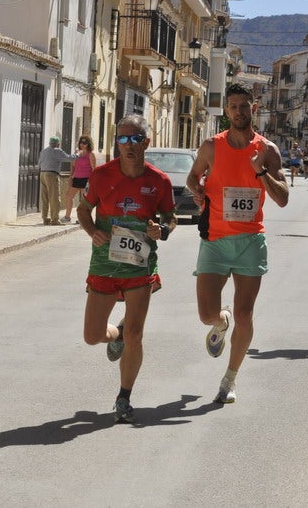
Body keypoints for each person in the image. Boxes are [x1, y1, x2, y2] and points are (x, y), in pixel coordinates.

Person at [186, 83, 289, 404]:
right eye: (233, 106)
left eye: (244, 106)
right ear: (226, 110)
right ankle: (220, 321)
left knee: (245, 315)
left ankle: (229, 379)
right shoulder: (210, 147)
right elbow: (193, 177)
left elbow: (283, 198)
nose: (239, 111)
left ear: (253, 108)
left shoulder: (268, 150)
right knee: (206, 314)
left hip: (250, 241)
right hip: (215, 240)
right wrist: (196, 190)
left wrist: (260, 172)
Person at [76, 114, 177, 424]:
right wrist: (92, 231)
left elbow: (170, 218)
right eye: (122, 139)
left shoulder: (159, 181)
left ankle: (124, 396)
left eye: (134, 139)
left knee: (136, 334)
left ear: (146, 142)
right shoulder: (102, 175)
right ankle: (115, 333)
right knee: (93, 336)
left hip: (140, 264)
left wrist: (163, 228)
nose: (128, 145)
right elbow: (83, 210)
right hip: (105, 263)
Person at [37, 136, 74, 225]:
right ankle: (54, 219)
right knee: (54, 198)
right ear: (58, 144)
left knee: (45, 198)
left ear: (49, 143)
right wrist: (77, 155)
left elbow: (39, 163)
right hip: (52, 175)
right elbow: (69, 158)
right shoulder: (57, 151)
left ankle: (45, 218)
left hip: (42, 174)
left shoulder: (44, 151)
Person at [62, 135, 97, 223]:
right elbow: (73, 166)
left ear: (88, 144)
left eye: (85, 143)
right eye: (81, 142)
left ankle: (82, 219)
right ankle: (67, 217)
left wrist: (92, 181)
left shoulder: (90, 154)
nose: (83, 144)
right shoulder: (76, 153)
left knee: (84, 200)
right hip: (77, 178)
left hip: (86, 179)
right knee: (68, 196)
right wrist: (71, 177)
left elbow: (94, 169)